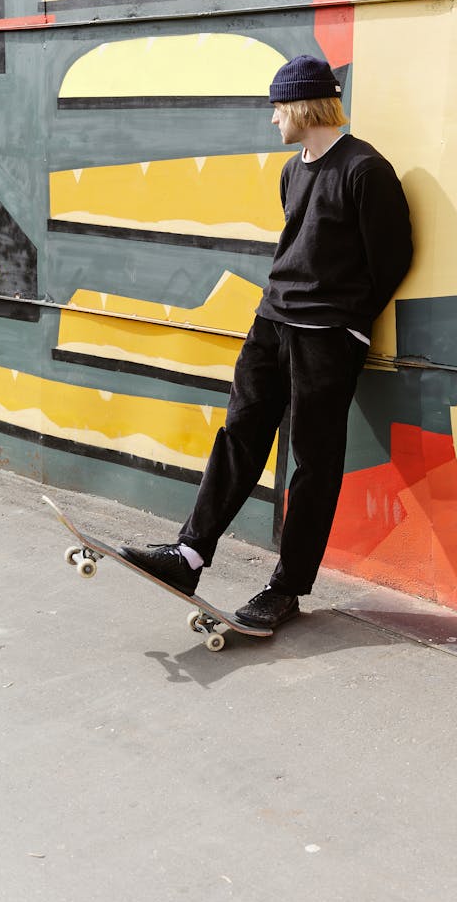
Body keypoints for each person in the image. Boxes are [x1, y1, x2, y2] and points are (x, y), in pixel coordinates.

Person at [122, 54, 413, 629]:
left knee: (312, 460)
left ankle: (286, 589)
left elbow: (392, 259)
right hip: (271, 322)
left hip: (327, 336)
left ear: (303, 105)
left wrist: (345, 321)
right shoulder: (293, 169)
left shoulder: (364, 170)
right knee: (239, 435)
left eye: (276, 107)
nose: (271, 119)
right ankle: (189, 553)